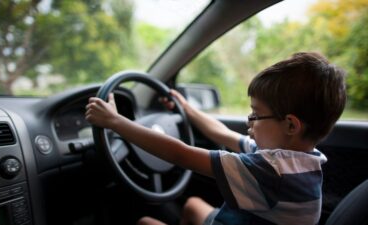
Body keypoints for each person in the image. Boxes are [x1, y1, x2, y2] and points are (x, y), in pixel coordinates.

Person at [85, 52, 347, 225]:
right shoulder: (297, 160)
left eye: (256, 115)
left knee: (144, 223)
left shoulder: (271, 172)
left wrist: (115, 122)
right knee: (191, 206)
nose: (249, 121)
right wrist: (186, 109)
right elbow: (222, 133)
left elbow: (179, 154)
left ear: (290, 124)